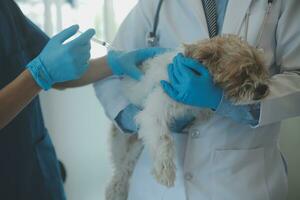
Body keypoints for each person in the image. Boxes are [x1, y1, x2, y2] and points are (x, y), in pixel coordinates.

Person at [93, 0, 300, 200]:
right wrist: (136, 117)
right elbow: (110, 70)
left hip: (241, 180)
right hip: (157, 187)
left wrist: (228, 102)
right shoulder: (154, 4)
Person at [0, 0, 164, 199]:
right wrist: (38, 75)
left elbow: (57, 72)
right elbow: (44, 70)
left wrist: (112, 63)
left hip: (37, 173)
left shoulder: (5, 9)